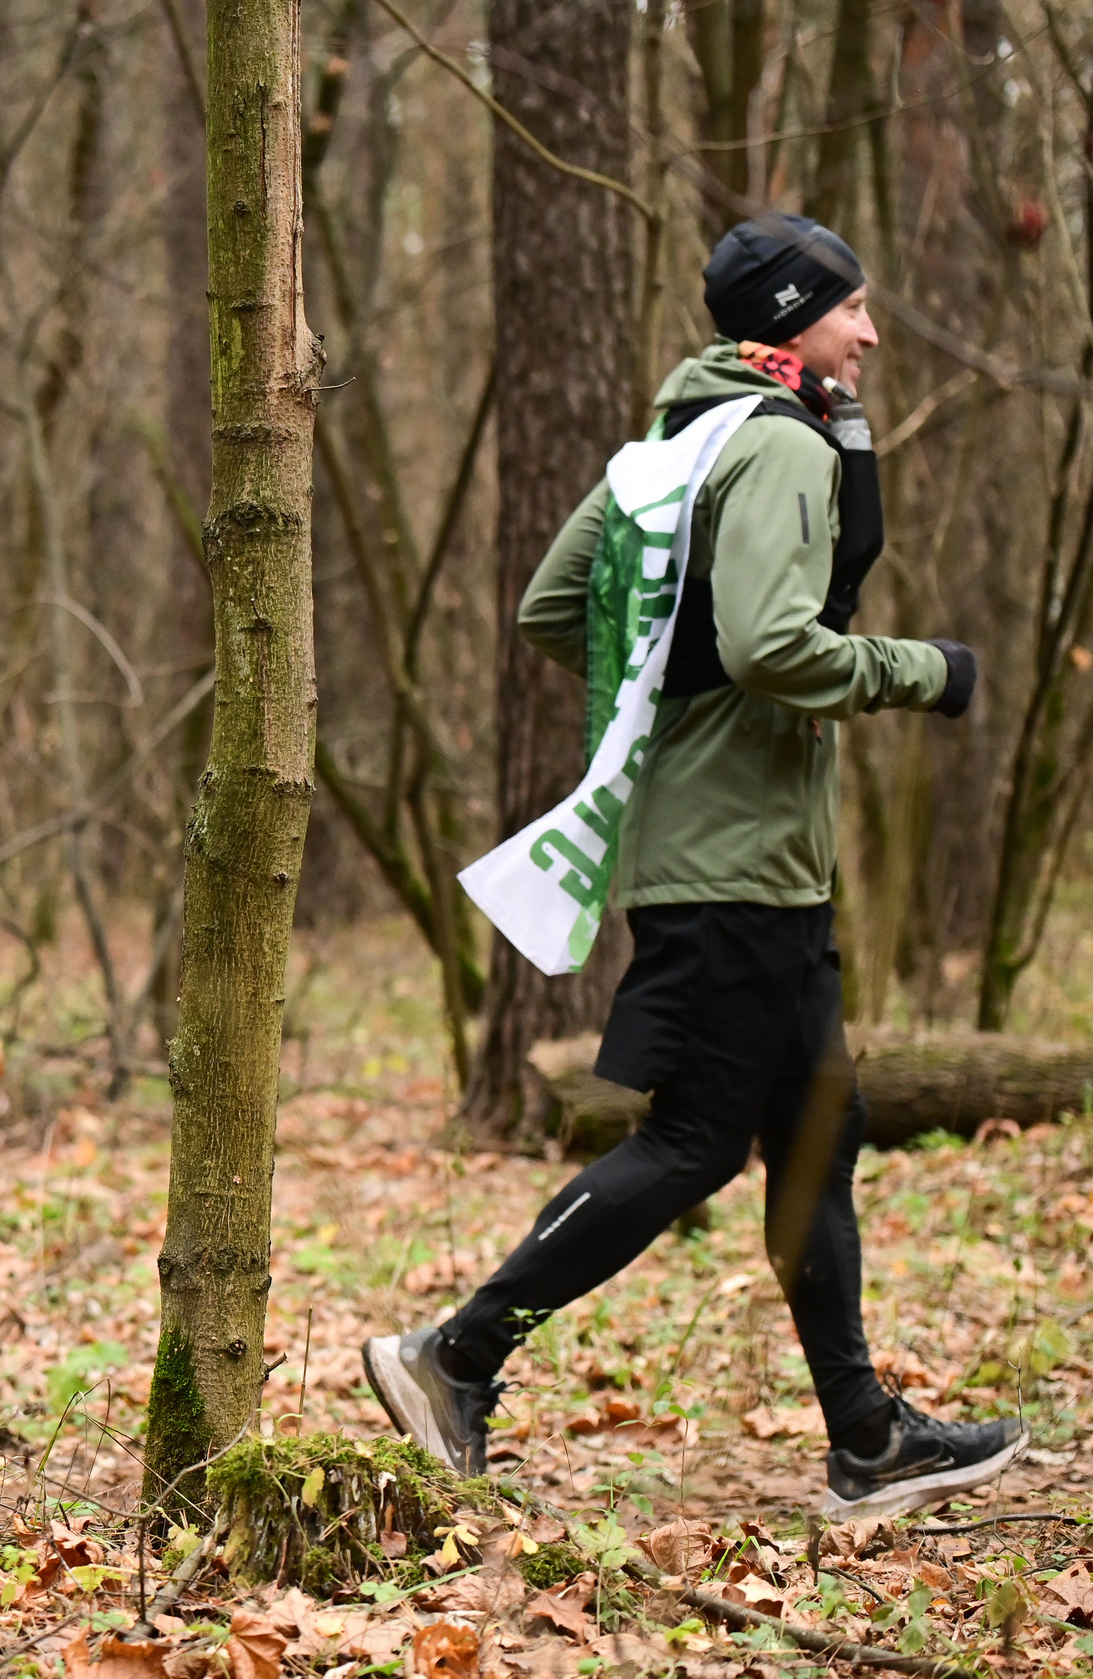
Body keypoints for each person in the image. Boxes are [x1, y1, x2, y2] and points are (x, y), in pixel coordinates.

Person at [366, 216, 1028, 1520]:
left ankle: (866, 1437)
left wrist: (674, 683)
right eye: (851, 307)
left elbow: (555, 610)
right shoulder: (778, 446)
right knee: (693, 1144)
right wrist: (922, 671)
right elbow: (776, 644)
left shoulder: (675, 446)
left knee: (816, 1135)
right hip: (737, 867)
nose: (871, 331)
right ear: (790, 318)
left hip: (745, 863)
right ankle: (456, 1355)